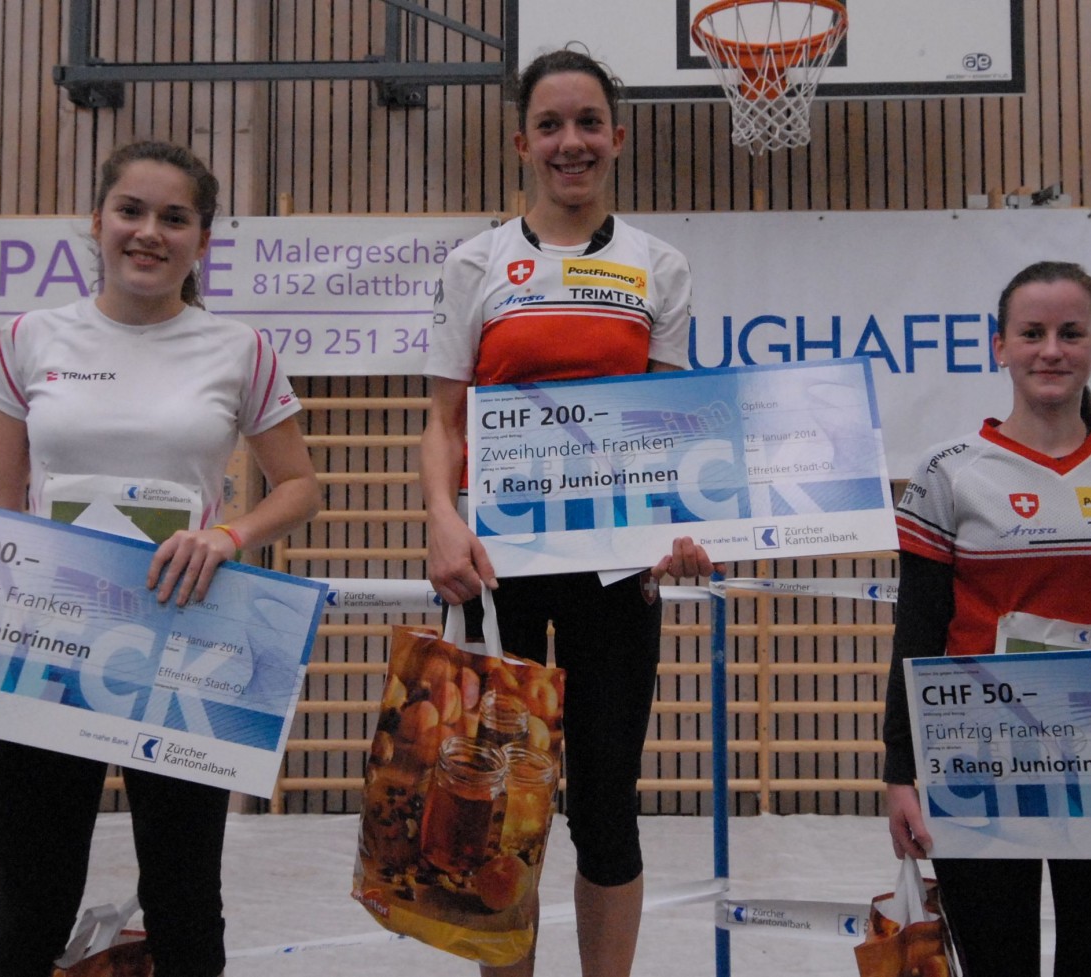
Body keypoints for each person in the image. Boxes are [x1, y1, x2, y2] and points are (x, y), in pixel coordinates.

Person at [0, 140, 322, 977]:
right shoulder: (28, 338)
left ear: (203, 239)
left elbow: (299, 486)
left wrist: (228, 536)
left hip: (181, 649)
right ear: (97, 221)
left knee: (186, 908)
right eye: (132, 210)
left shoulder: (239, 349)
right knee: (29, 912)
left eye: (174, 217)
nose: (150, 231)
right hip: (45, 646)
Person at [420, 48, 715, 977]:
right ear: (522, 144)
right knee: (495, 803)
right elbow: (442, 421)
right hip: (496, 568)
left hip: (614, 573)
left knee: (605, 806)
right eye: (550, 125)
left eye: (588, 122)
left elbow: (667, 427)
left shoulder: (658, 266)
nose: (571, 142)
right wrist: (441, 519)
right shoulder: (477, 263)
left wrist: (681, 530)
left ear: (617, 138)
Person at [882, 260, 1091, 977]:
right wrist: (901, 772)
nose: (1051, 350)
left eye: (1071, 333)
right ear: (999, 346)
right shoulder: (948, 471)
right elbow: (918, 630)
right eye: (1032, 333)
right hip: (977, 760)